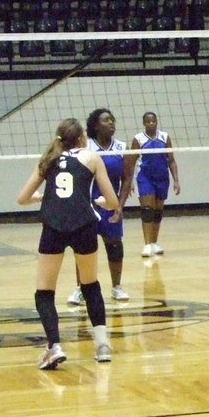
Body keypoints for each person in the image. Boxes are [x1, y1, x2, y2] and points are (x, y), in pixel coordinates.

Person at [16, 118, 119, 370]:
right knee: (90, 284)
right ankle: (102, 345)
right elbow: (113, 201)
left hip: (53, 226)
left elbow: (22, 198)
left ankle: (55, 346)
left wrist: (43, 196)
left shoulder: (48, 160)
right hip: (84, 225)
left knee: (44, 291)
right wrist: (103, 204)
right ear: (82, 138)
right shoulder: (91, 158)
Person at [68, 108, 134, 305]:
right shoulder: (85, 146)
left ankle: (117, 287)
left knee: (114, 245)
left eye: (113, 119)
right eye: (106, 120)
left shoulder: (121, 147)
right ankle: (80, 288)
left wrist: (119, 206)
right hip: (88, 204)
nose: (111, 123)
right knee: (83, 248)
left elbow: (127, 178)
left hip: (110, 204)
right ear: (95, 125)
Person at [127, 111, 180, 258]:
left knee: (157, 212)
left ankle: (154, 243)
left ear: (157, 122)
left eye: (153, 121)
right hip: (145, 177)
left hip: (162, 177)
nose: (151, 124)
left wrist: (176, 180)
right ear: (144, 123)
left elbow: (171, 160)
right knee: (147, 210)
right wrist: (129, 181)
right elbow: (131, 162)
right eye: (148, 122)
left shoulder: (165, 137)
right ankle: (147, 244)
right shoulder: (138, 139)